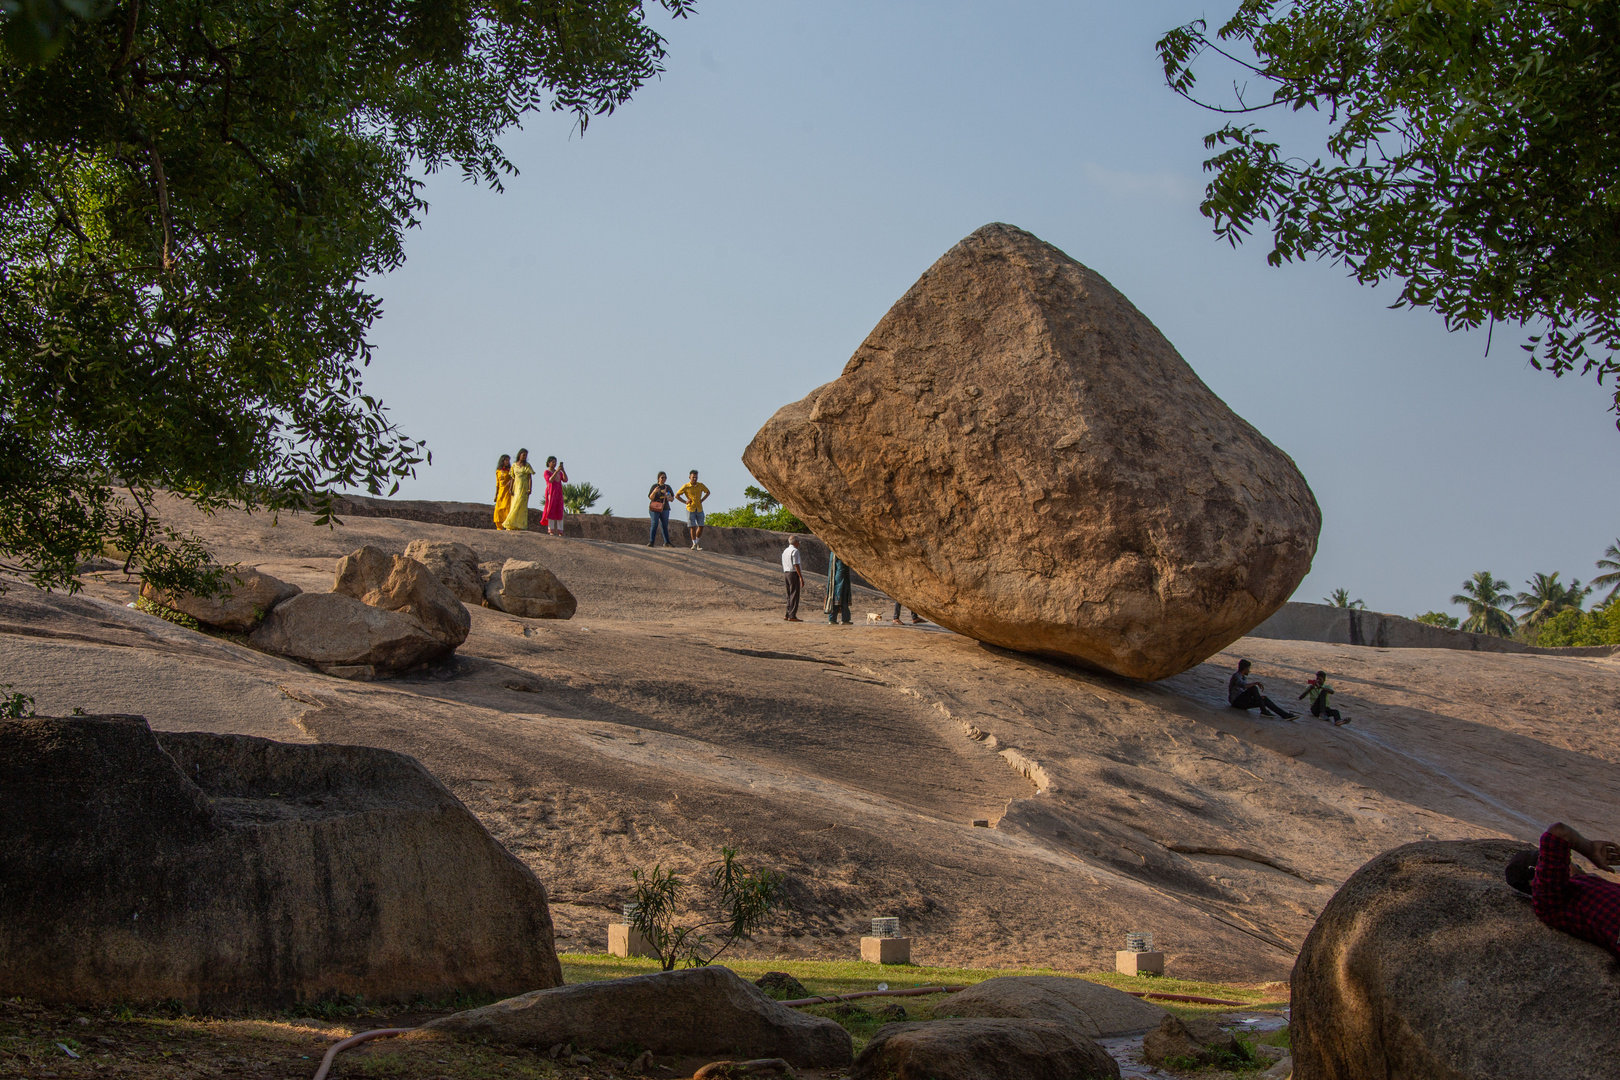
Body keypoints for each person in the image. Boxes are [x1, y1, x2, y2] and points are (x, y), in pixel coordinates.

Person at [1506, 822, 1620, 957]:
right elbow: (1560, 832)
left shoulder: (1592, 884)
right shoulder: (1551, 898)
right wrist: (1589, 849)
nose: (1568, 860)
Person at [1227, 659, 1297, 719]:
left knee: (1264, 699)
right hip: (1236, 702)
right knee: (1253, 688)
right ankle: (1263, 710)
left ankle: (1285, 715)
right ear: (1244, 669)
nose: (1249, 670)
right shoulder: (1236, 676)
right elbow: (1244, 686)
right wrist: (1256, 683)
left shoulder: (1244, 677)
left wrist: (1259, 698)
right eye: (1248, 668)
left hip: (1242, 701)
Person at [677, 470, 711, 550]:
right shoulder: (686, 486)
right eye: (693, 477)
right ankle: (694, 543)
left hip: (699, 508)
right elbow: (677, 495)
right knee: (692, 526)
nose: (695, 479)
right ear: (690, 477)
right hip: (690, 508)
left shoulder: (700, 485)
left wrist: (702, 500)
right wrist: (685, 502)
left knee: (701, 526)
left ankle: (697, 541)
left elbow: (708, 492)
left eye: (696, 477)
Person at [502, 449, 534, 531]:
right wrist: (510, 488)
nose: (524, 457)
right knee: (515, 504)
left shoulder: (527, 466)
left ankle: (520, 525)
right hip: (516, 487)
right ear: (519, 455)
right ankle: (510, 523)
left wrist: (530, 488)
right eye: (523, 455)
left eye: (526, 455)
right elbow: (512, 478)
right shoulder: (514, 465)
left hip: (524, 487)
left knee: (521, 505)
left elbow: (529, 478)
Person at [647, 471, 675, 547]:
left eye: (665, 477)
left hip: (664, 507)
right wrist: (655, 491)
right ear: (658, 478)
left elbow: (672, 499)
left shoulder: (667, 487)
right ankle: (651, 541)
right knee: (654, 523)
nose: (664, 479)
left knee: (664, 525)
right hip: (655, 507)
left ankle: (667, 542)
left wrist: (667, 495)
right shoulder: (655, 486)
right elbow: (650, 497)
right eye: (662, 477)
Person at [541, 456, 567, 536]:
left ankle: (560, 530)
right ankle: (551, 530)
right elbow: (550, 480)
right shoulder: (547, 472)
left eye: (555, 462)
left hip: (559, 493)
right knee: (551, 510)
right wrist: (556, 472)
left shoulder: (559, 472)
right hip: (551, 493)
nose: (554, 463)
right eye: (552, 462)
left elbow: (565, 480)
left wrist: (562, 470)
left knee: (560, 510)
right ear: (548, 463)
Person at [826, 552, 853, 625]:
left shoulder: (833, 553)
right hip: (841, 578)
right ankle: (845, 619)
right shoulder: (840, 554)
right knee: (843, 599)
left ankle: (832, 619)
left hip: (835, 579)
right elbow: (843, 567)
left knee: (835, 599)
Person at [782, 536, 803, 621]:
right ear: (796, 542)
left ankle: (787, 614)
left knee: (789, 595)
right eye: (798, 542)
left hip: (786, 573)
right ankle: (792, 615)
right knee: (794, 594)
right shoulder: (795, 551)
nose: (798, 544)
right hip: (793, 573)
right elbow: (796, 565)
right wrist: (801, 577)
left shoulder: (785, 551)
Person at [493, 454, 514, 529]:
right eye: (506, 460)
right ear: (502, 461)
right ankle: (499, 527)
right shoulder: (498, 471)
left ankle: (507, 525)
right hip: (500, 492)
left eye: (508, 460)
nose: (507, 462)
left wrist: (510, 482)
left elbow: (513, 479)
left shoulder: (510, 471)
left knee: (506, 508)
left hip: (507, 492)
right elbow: (497, 484)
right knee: (498, 510)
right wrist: (496, 495)